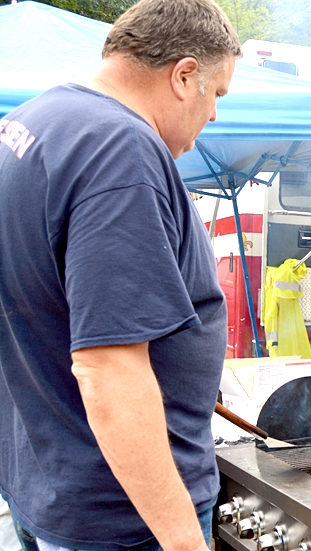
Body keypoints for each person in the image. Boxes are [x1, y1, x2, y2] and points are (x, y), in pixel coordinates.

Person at [0, 1, 241, 551]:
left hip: (47, 483)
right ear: (184, 76)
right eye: (217, 94)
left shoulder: (30, 123)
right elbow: (107, 368)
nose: (214, 116)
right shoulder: (120, 150)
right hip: (121, 520)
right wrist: (183, 542)